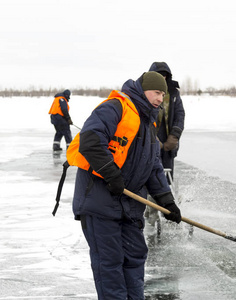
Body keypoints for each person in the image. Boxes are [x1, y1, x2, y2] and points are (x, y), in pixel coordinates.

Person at [68, 71, 182, 300]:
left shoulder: (148, 123)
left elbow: (153, 167)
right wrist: (111, 173)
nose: (160, 98)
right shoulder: (114, 108)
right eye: (157, 92)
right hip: (100, 204)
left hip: (129, 207)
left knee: (135, 258)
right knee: (110, 264)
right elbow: (90, 141)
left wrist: (167, 201)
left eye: (163, 94)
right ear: (143, 90)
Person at [149, 62, 185, 182]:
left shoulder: (174, 92)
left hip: (169, 143)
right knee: (151, 174)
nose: (162, 79)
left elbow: (180, 115)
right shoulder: (147, 93)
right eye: (159, 76)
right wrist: (153, 139)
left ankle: (168, 196)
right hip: (151, 141)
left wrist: (174, 137)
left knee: (167, 177)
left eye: (165, 76)